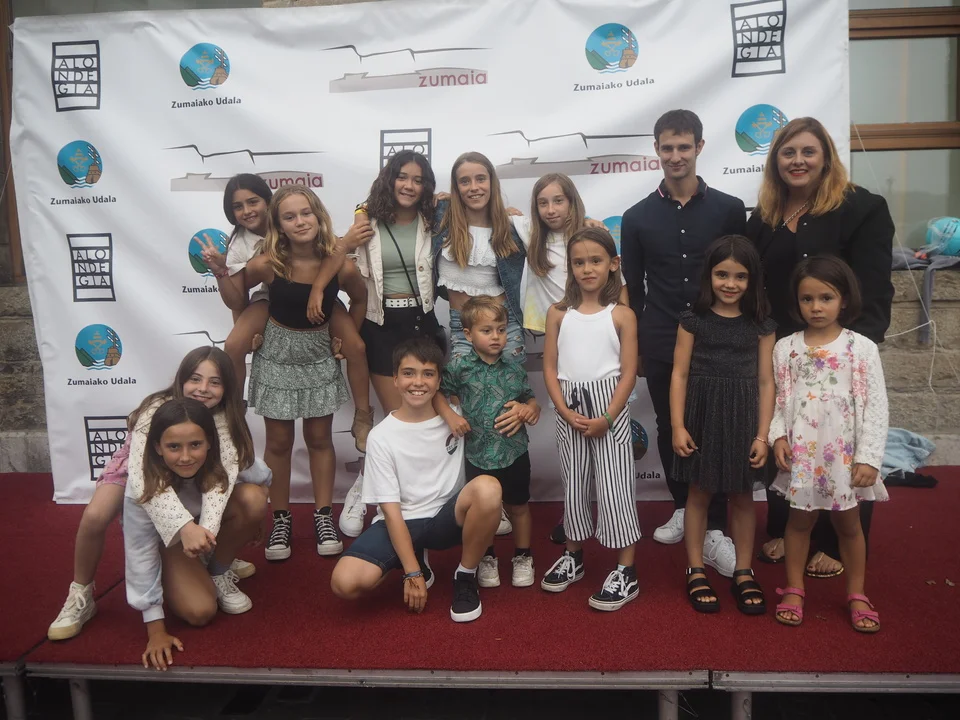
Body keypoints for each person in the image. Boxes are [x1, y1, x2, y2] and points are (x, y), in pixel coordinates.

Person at [746, 117, 894, 578]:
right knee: (788, 438)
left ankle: (836, 540)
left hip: (841, 351)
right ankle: (786, 526)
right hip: (783, 350)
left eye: (808, 151)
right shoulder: (765, 217)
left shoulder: (862, 208)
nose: (798, 161)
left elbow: (875, 287)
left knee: (840, 439)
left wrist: (858, 351)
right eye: (788, 152)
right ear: (775, 161)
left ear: (826, 157)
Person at [47, 347, 268, 641]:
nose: (203, 389)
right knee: (96, 515)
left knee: (251, 497)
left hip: (187, 481)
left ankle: (212, 563)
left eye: (214, 382)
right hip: (136, 469)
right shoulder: (155, 410)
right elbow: (144, 478)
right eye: (195, 379)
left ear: (227, 388)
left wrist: (207, 533)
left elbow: (224, 477)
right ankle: (80, 593)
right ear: (181, 379)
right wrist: (184, 527)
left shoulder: (225, 420)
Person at [620, 109, 746, 577]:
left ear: (699, 147)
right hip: (660, 336)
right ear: (656, 150)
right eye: (667, 148)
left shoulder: (730, 209)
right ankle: (680, 506)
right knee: (670, 426)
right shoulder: (636, 217)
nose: (676, 156)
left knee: (715, 428)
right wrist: (635, 345)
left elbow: (742, 275)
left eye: (684, 147)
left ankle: (715, 528)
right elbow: (633, 287)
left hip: (718, 337)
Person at [218, 186, 360, 562]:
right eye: (289, 216)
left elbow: (359, 296)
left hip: (317, 356)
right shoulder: (266, 263)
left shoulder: (340, 263)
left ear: (318, 215)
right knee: (279, 443)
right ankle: (280, 519)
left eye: (306, 213)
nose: (300, 222)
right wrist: (222, 276)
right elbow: (237, 297)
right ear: (277, 225)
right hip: (277, 356)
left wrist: (345, 337)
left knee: (319, 439)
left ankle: (323, 516)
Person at [330, 338, 504, 623]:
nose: (418, 382)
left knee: (489, 488)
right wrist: (411, 573)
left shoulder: (458, 419)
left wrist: (530, 406)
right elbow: (391, 512)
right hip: (402, 521)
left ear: (439, 381)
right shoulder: (381, 437)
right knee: (344, 583)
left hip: (448, 518)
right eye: (408, 373)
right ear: (395, 379)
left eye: (428, 373)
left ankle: (465, 575)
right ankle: (414, 558)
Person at [205, 174, 376, 454]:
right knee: (234, 345)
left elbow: (335, 255)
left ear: (269, 203)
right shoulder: (239, 245)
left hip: (321, 295)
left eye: (253, 202)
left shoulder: (301, 219)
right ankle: (232, 412)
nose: (247, 211)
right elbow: (238, 300)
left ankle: (363, 415)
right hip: (272, 296)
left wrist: (324, 282)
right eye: (238, 207)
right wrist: (250, 334)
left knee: (356, 346)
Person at [769, 256, 888, 633]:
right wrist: (778, 436)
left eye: (826, 298)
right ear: (796, 301)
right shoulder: (785, 348)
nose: (816, 307)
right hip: (804, 455)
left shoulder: (861, 347)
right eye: (807, 299)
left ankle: (857, 593)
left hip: (845, 457)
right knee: (798, 521)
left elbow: (876, 405)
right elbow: (779, 401)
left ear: (844, 299)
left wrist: (869, 457)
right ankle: (794, 589)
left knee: (849, 524)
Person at [338, 151, 446, 537]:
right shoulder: (367, 220)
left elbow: (477, 211)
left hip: (422, 322)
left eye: (418, 180)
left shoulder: (435, 219)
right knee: (396, 418)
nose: (409, 186)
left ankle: (417, 498)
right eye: (402, 177)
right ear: (390, 179)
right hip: (381, 324)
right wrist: (345, 241)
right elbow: (335, 261)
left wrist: (511, 212)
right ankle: (365, 487)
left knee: (425, 416)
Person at [670, 236, 775, 615]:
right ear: (709, 275)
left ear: (752, 279)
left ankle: (743, 571)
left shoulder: (762, 325)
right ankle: (695, 568)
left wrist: (763, 435)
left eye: (740, 276)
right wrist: (678, 426)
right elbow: (679, 374)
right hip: (701, 415)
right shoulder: (692, 320)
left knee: (743, 496)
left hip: (744, 417)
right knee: (698, 493)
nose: (730, 284)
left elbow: (766, 382)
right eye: (722, 274)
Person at [124, 398, 267, 670]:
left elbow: (260, 472)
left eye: (195, 445)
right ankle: (176, 567)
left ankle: (216, 569)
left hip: (204, 532)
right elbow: (139, 551)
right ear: (157, 447)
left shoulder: (223, 457)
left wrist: (260, 517)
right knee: (200, 612)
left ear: (210, 442)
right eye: (174, 447)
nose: (186, 457)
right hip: (170, 542)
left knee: (253, 498)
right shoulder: (141, 486)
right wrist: (155, 628)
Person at [541, 227, 641, 611]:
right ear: (569, 267)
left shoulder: (622, 315)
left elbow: (628, 373)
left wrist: (608, 417)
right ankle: (574, 556)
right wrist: (564, 410)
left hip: (609, 408)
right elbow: (550, 368)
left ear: (613, 264)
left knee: (616, 488)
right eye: (579, 262)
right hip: (568, 407)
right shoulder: (557, 313)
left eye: (596, 261)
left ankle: (626, 570)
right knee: (574, 485)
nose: (587, 269)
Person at [436, 296, 541, 588]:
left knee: (518, 506)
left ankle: (523, 555)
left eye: (501, 329)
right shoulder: (458, 367)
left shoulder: (514, 368)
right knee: (484, 510)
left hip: (514, 451)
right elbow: (438, 394)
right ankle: (486, 556)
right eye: (487, 330)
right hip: (477, 453)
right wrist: (450, 415)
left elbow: (529, 398)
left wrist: (530, 409)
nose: (496, 336)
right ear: (468, 334)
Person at [433, 151, 527, 364]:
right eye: (465, 181)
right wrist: (361, 212)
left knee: (511, 386)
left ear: (492, 182)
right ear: (456, 187)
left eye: (481, 179)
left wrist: (585, 221)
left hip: (502, 326)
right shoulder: (440, 215)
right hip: (462, 327)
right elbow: (389, 199)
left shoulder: (511, 226)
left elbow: (555, 232)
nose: (474, 187)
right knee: (464, 386)